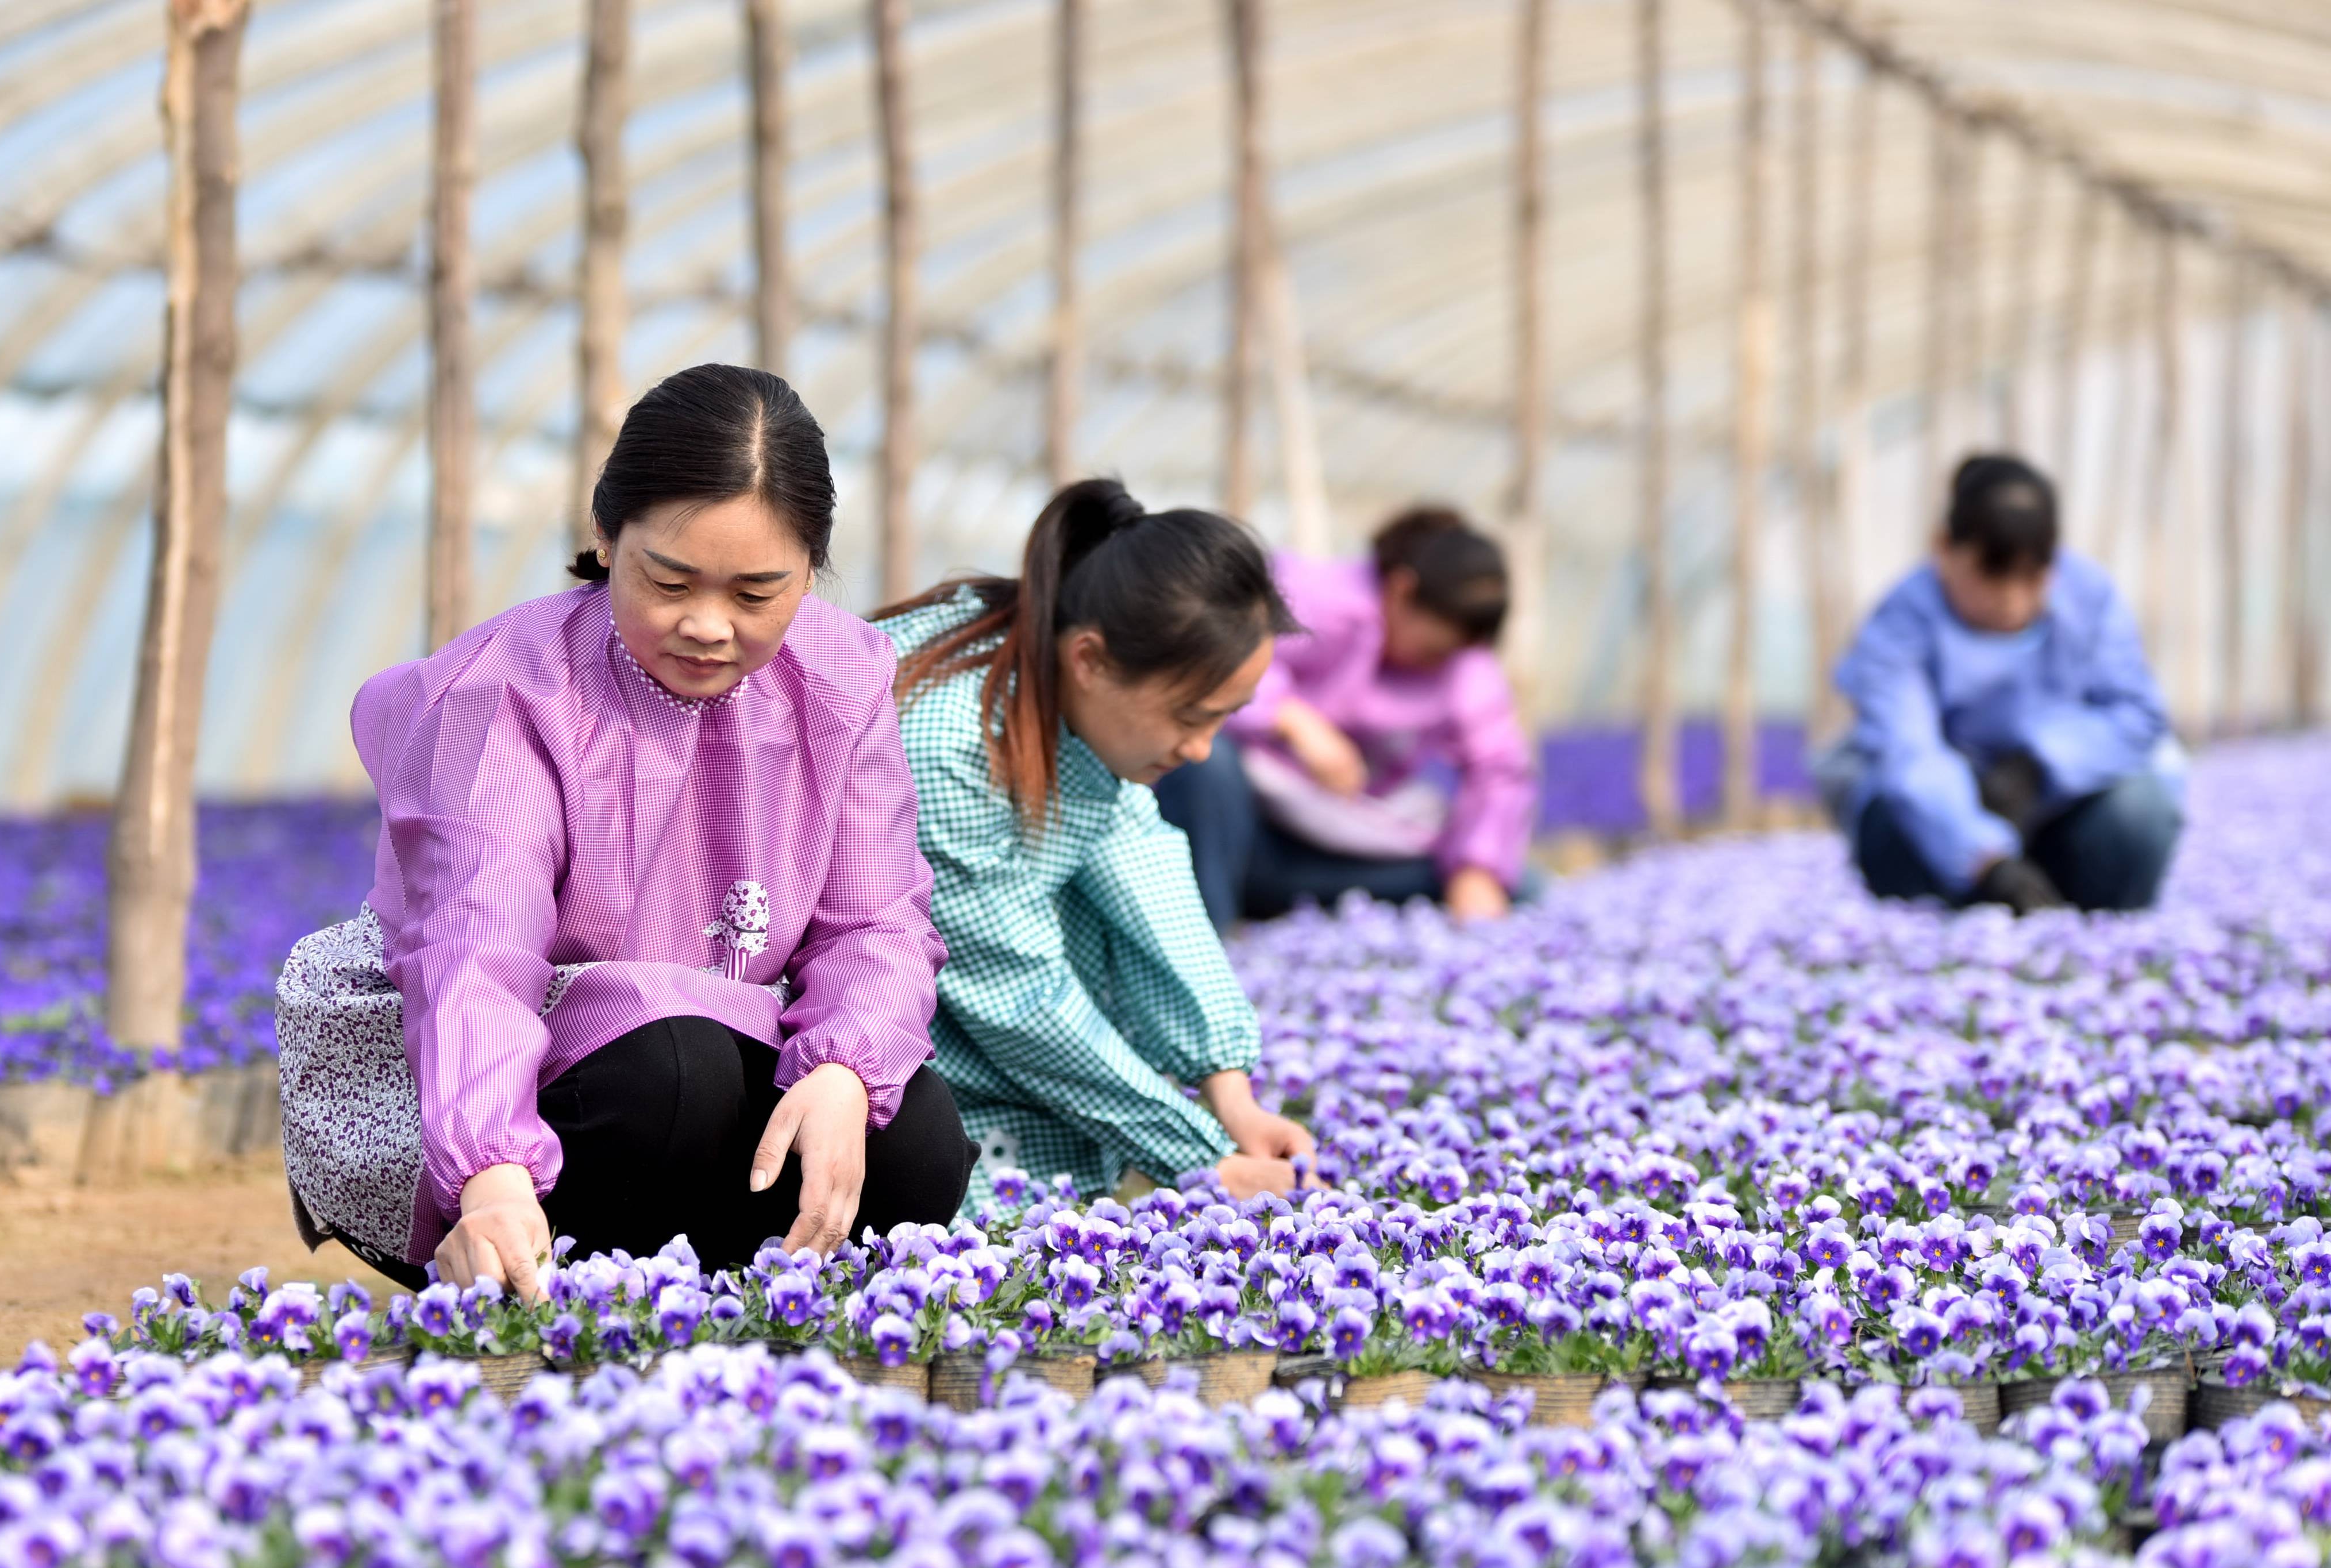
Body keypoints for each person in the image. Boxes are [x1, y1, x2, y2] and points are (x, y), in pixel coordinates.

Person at [278, 364, 971, 1298]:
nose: (706, 626)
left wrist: (845, 1068)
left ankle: (726, 1309)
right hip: (498, 1083)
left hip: (709, 1053)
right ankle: (542, 1295)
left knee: (913, 1137)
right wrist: (487, 1171)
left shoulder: (839, 682)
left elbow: (876, 925)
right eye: (668, 579)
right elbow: (473, 957)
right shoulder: (508, 694)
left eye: (755, 592)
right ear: (606, 538)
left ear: (810, 569)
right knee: (668, 1071)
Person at [877, 478, 1316, 1216]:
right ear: (1090, 659)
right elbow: (1015, 996)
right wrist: (1201, 1157)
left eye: (1223, 719)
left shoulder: (1062, 683)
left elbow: (1148, 878)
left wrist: (1229, 1090)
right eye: (1189, 716)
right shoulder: (949, 738)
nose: (1203, 750)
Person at [1825, 454, 2183, 914]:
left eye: (2033, 575)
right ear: (1943, 548)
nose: (2013, 597)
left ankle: (2082, 917)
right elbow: (1908, 753)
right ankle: (1970, 912)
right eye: (1993, 571)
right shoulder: (1901, 621)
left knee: (2139, 810)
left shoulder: (2089, 597)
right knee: (1890, 820)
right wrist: (1986, 859)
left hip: (2062, 808)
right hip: (1949, 821)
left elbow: (2138, 715)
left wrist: (2040, 765)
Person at [1152, 507, 1536, 931]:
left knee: (1519, 887)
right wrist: (1294, 721)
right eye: (1432, 652)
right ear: (1401, 590)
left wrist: (1477, 870)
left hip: (1337, 848)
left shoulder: (1464, 663)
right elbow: (1215, 661)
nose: (1439, 665)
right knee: (1207, 761)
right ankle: (1205, 937)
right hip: (1247, 833)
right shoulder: (1314, 594)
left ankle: (1293, 922)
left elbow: (1500, 770)